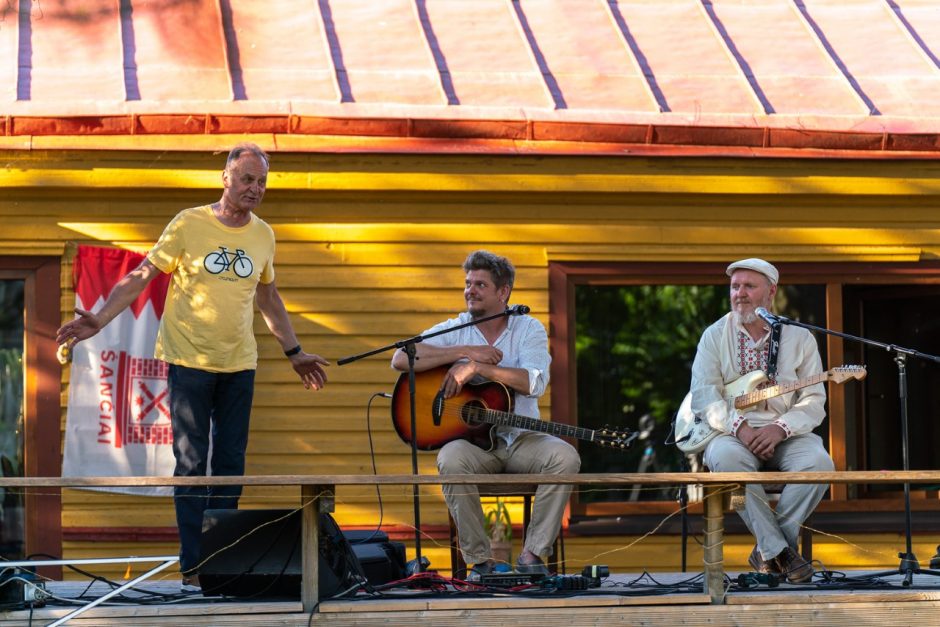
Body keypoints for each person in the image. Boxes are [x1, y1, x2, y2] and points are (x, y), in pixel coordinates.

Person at [56, 143, 329, 590]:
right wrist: (100, 319)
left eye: (261, 182)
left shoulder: (263, 235)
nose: (254, 189)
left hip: (239, 363)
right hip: (188, 360)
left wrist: (294, 352)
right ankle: (194, 565)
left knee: (229, 464)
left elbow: (267, 297)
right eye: (246, 179)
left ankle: (224, 564)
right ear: (226, 177)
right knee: (190, 463)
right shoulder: (188, 223)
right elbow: (143, 275)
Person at [391, 250, 580, 578]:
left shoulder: (528, 328)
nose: (470, 290)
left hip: (522, 440)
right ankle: (480, 562)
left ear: (503, 292)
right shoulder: (457, 327)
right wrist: (463, 352)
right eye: (467, 283)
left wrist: (479, 369)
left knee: (565, 456)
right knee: (450, 458)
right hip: (475, 446)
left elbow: (534, 382)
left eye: (480, 284)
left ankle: (533, 556)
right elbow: (400, 358)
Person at [689, 258, 834, 584]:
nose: (739, 293)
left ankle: (768, 549)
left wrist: (779, 428)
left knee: (820, 463)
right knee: (728, 464)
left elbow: (814, 401)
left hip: (788, 432)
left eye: (748, 286)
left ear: (771, 292)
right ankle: (782, 552)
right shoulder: (713, 336)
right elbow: (703, 396)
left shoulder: (800, 338)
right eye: (735, 286)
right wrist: (739, 427)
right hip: (730, 432)